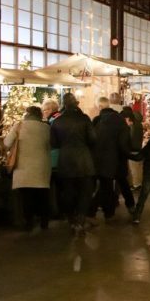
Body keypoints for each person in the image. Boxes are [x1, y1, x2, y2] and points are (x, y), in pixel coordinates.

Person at [50, 92, 96, 237]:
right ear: (75, 103)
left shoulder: (57, 121)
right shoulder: (84, 119)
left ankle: (71, 220)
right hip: (84, 160)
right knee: (85, 191)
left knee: (67, 192)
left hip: (65, 160)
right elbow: (93, 138)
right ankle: (81, 220)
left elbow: (53, 143)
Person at [4, 106, 51, 231]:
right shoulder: (46, 128)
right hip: (42, 166)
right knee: (42, 195)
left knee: (26, 197)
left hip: (23, 167)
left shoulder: (18, 126)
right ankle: (44, 222)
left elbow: (7, 143)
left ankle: (29, 222)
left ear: (27, 114)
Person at [88, 97, 132, 222]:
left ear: (100, 107)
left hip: (101, 159)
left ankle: (99, 212)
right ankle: (127, 208)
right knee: (120, 184)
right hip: (118, 158)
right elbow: (124, 142)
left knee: (105, 186)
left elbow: (92, 140)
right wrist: (129, 154)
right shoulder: (119, 120)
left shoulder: (97, 120)